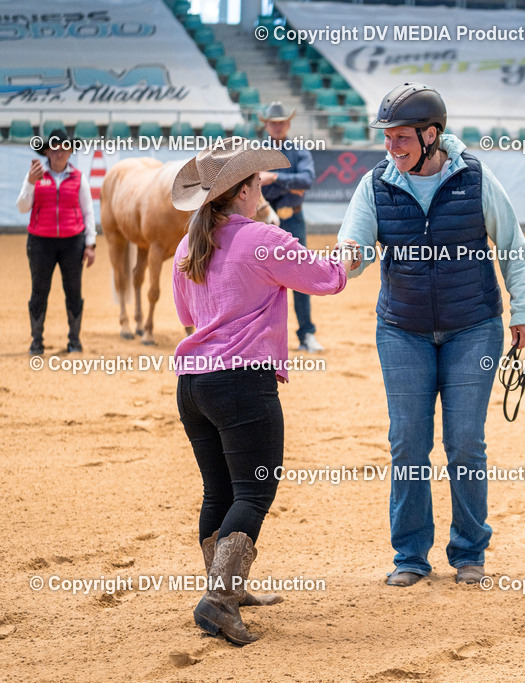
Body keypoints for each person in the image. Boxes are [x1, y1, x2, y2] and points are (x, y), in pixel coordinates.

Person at [338, 82, 525, 587]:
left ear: (431, 135)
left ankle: (470, 551)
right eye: (387, 137)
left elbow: (511, 243)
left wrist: (524, 311)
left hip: (474, 327)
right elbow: (354, 245)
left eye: (401, 137)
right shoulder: (375, 185)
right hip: (402, 330)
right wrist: (345, 260)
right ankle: (410, 556)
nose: (391, 146)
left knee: (466, 443)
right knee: (407, 442)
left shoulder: (475, 177)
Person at [170, 138, 355, 645]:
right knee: (254, 491)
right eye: (257, 184)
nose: (261, 190)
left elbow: (189, 318)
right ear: (246, 190)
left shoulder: (189, 245)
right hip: (242, 383)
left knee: (219, 490)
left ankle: (225, 585)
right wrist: (351, 259)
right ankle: (220, 600)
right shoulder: (262, 238)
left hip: (193, 383)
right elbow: (327, 278)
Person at [17, 128, 96, 355]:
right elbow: (23, 207)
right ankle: (36, 341)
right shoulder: (35, 176)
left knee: (73, 291)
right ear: (47, 152)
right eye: (55, 148)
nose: (60, 152)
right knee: (39, 291)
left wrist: (90, 245)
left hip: (73, 243)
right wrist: (31, 182)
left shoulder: (79, 178)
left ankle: (74, 341)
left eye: (64, 148)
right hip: (41, 243)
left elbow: (88, 212)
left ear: (70, 151)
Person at [258, 102, 323, 352]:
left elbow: (306, 181)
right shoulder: (257, 152)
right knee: (262, 277)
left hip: (292, 219)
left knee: (300, 275)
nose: (277, 126)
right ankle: (264, 336)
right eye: (273, 122)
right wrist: (290, 184)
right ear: (266, 124)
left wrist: (273, 178)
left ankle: (306, 333)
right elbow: (254, 181)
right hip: (263, 221)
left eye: (281, 122)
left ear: (288, 124)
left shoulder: (299, 150)